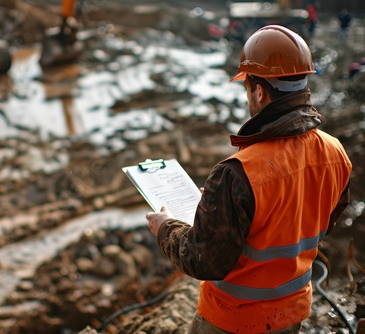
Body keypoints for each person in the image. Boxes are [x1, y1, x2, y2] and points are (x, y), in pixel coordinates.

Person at [146, 25, 352, 333]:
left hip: (232, 319)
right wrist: (221, 209)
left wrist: (165, 228)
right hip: (293, 312)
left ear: (258, 91)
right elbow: (314, 219)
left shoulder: (237, 172)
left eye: (247, 89)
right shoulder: (335, 153)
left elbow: (204, 261)